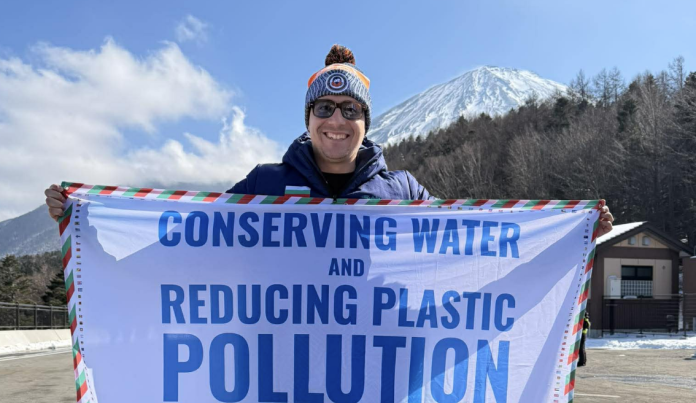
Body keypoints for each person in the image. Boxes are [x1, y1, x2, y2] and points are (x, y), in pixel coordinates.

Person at [43, 44, 615, 236]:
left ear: (366, 121)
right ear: (308, 117)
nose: (336, 120)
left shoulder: (402, 190)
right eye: (323, 108)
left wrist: (570, 235)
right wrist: (88, 218)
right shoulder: (266, 184)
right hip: (281, 374)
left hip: (378, 372)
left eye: (350, 110)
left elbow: (468, 242)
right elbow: (190, 234)